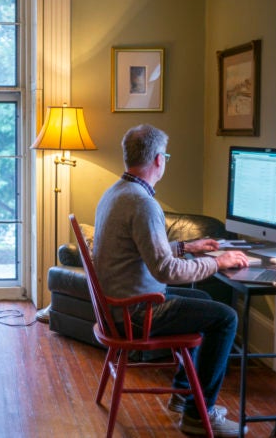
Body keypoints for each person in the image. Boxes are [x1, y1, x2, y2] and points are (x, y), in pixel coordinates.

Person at [93, 124, 250, 437]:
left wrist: (188, 247)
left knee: (205, 303)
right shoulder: (142, 203)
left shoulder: (117, 193)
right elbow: (166, 270)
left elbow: (143, 251)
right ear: (157, 160)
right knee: (226, 318)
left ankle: (183, 395)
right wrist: (217, 263)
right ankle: (197, 414)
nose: (165, 160)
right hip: (136, 315)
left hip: (118, 306)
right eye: (165, 155)